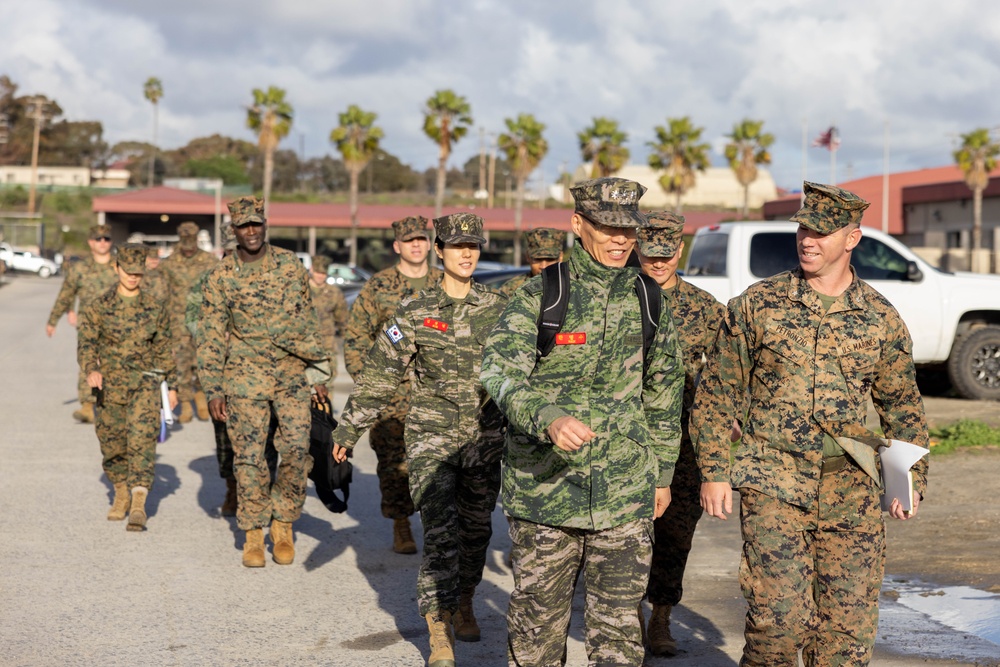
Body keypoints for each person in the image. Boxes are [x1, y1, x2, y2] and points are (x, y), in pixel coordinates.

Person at [691, 182, 930, 667]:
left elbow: (903, 406)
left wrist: (909, 480)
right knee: (775, 625)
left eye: (822, 232)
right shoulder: (757, 305)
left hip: (852, 488)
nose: (808, 240)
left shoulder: (880, 318)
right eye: (803, 229)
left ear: (853, 238)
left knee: (845, 633)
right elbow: (716, 393)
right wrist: (715, 470)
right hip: (773, 482)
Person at [480, 177, 685, 666]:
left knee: (618, 639)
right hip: (545, 493)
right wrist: (547, 417)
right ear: (578, 224)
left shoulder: (649, 300)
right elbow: (499, 371)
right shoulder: (542, 296)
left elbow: (664, 390)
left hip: (624, 493)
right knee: (536, 637)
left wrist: (661, 474)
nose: (619, 240)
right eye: (606, 227)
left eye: (628, 230)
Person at [333, 213, 507, 667]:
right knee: (441, 532)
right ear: (440, 251)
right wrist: (348, 428)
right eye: (457, 247)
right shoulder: (414, 311)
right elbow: (379, 375)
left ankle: (464, 598)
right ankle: (438, 627)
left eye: (474, 246)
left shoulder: (501, 309)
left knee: (476, 530)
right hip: (431, 436)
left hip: (485, 438)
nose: (467, 254)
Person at [197, 196, 331, 568]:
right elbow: (209, 335)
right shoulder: (222, 276)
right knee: (250, 458)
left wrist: (318, 372)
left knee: (297, 449)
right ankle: (254, 533)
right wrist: (213, 388)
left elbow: (307, 319)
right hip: (244, 377)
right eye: (244, 226)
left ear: (265, 224)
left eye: (257, 223)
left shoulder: (290, 265)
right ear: (234, 230)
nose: (251, 231)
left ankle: (283, 522)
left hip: (290, 374)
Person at [634, 211, 727, 656]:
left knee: (675, 534)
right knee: (627, 532)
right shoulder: (620, 297)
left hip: (686, 442)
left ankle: (661, 617)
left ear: (679, 250)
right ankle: (626, 616)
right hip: (628, 437)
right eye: (650, 253)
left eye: (667, 253)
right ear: (638, 250)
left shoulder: (705, 307)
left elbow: (730, 370)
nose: (658, 262)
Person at [344, 216, 443, 554]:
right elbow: (357, 336)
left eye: (422, 239)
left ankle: (436, 527)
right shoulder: (378, 286)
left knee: (436, 463)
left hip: (436, 392)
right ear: (396, 246)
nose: (417, 245)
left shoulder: (445, 283)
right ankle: (401, 523)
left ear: (430, 244)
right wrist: (370, 384)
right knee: (393, 463)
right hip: (393, 394)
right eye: (409, 240)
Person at [77, 243, 178, 531]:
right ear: (116, 268)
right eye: (128, 272)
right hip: (109, 388)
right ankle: (120, 490)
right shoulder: (100, 306)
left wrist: (173, 386)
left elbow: (164, 349)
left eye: (138, 273)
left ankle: (137, 503)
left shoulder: (154, 307)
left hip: (144, 386)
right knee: (112, 446)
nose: (133, 277)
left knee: (142, 443)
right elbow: (87, 343)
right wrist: (91, 369)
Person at [186, 223, 277, 517]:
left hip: (261, 370)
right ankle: (232, 487)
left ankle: (263, 489)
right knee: (225, 434)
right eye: (227, 249)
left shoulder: (267, 274)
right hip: (221, 369)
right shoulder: (208, 279)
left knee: (267, 433)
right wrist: (214, 332)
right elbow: (192, 318)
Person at [46, 224, 119, 423]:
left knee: (117, 363)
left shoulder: (120, 267)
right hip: (89, 325)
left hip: (119, 324)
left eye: (106, 239)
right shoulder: (80, 268)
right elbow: (66, 294)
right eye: (98, 239)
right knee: (88, 362)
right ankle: (88, 405)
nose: (102, 242)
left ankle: (114, 406)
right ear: (90, 242)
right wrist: (54, 320)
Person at [160, 221, 218, 423]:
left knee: (204, 362)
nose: (188, 247)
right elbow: (162, 293)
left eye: (191, 242)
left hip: (203, 322)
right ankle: (185, 403)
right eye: (184, 242)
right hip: (178, 323)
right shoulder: (168, 263)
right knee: (181, 365)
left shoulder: (209, 261)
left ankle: (201, 396)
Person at [308, 255, 348, 392]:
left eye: (323, 273)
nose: (320, 276)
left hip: (327, 345)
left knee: (327, 384)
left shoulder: (334, 293)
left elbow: (343, 320)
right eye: (318, 272)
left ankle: (325, 413)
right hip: (305, 344)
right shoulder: (301, 290)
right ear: (311, 270)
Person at [499, 227, 566, 296]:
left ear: (560, 257)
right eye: (538, 259)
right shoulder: (512, 288)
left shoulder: (572, 286)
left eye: (550, 259)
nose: (543, 266)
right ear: (528, 256)